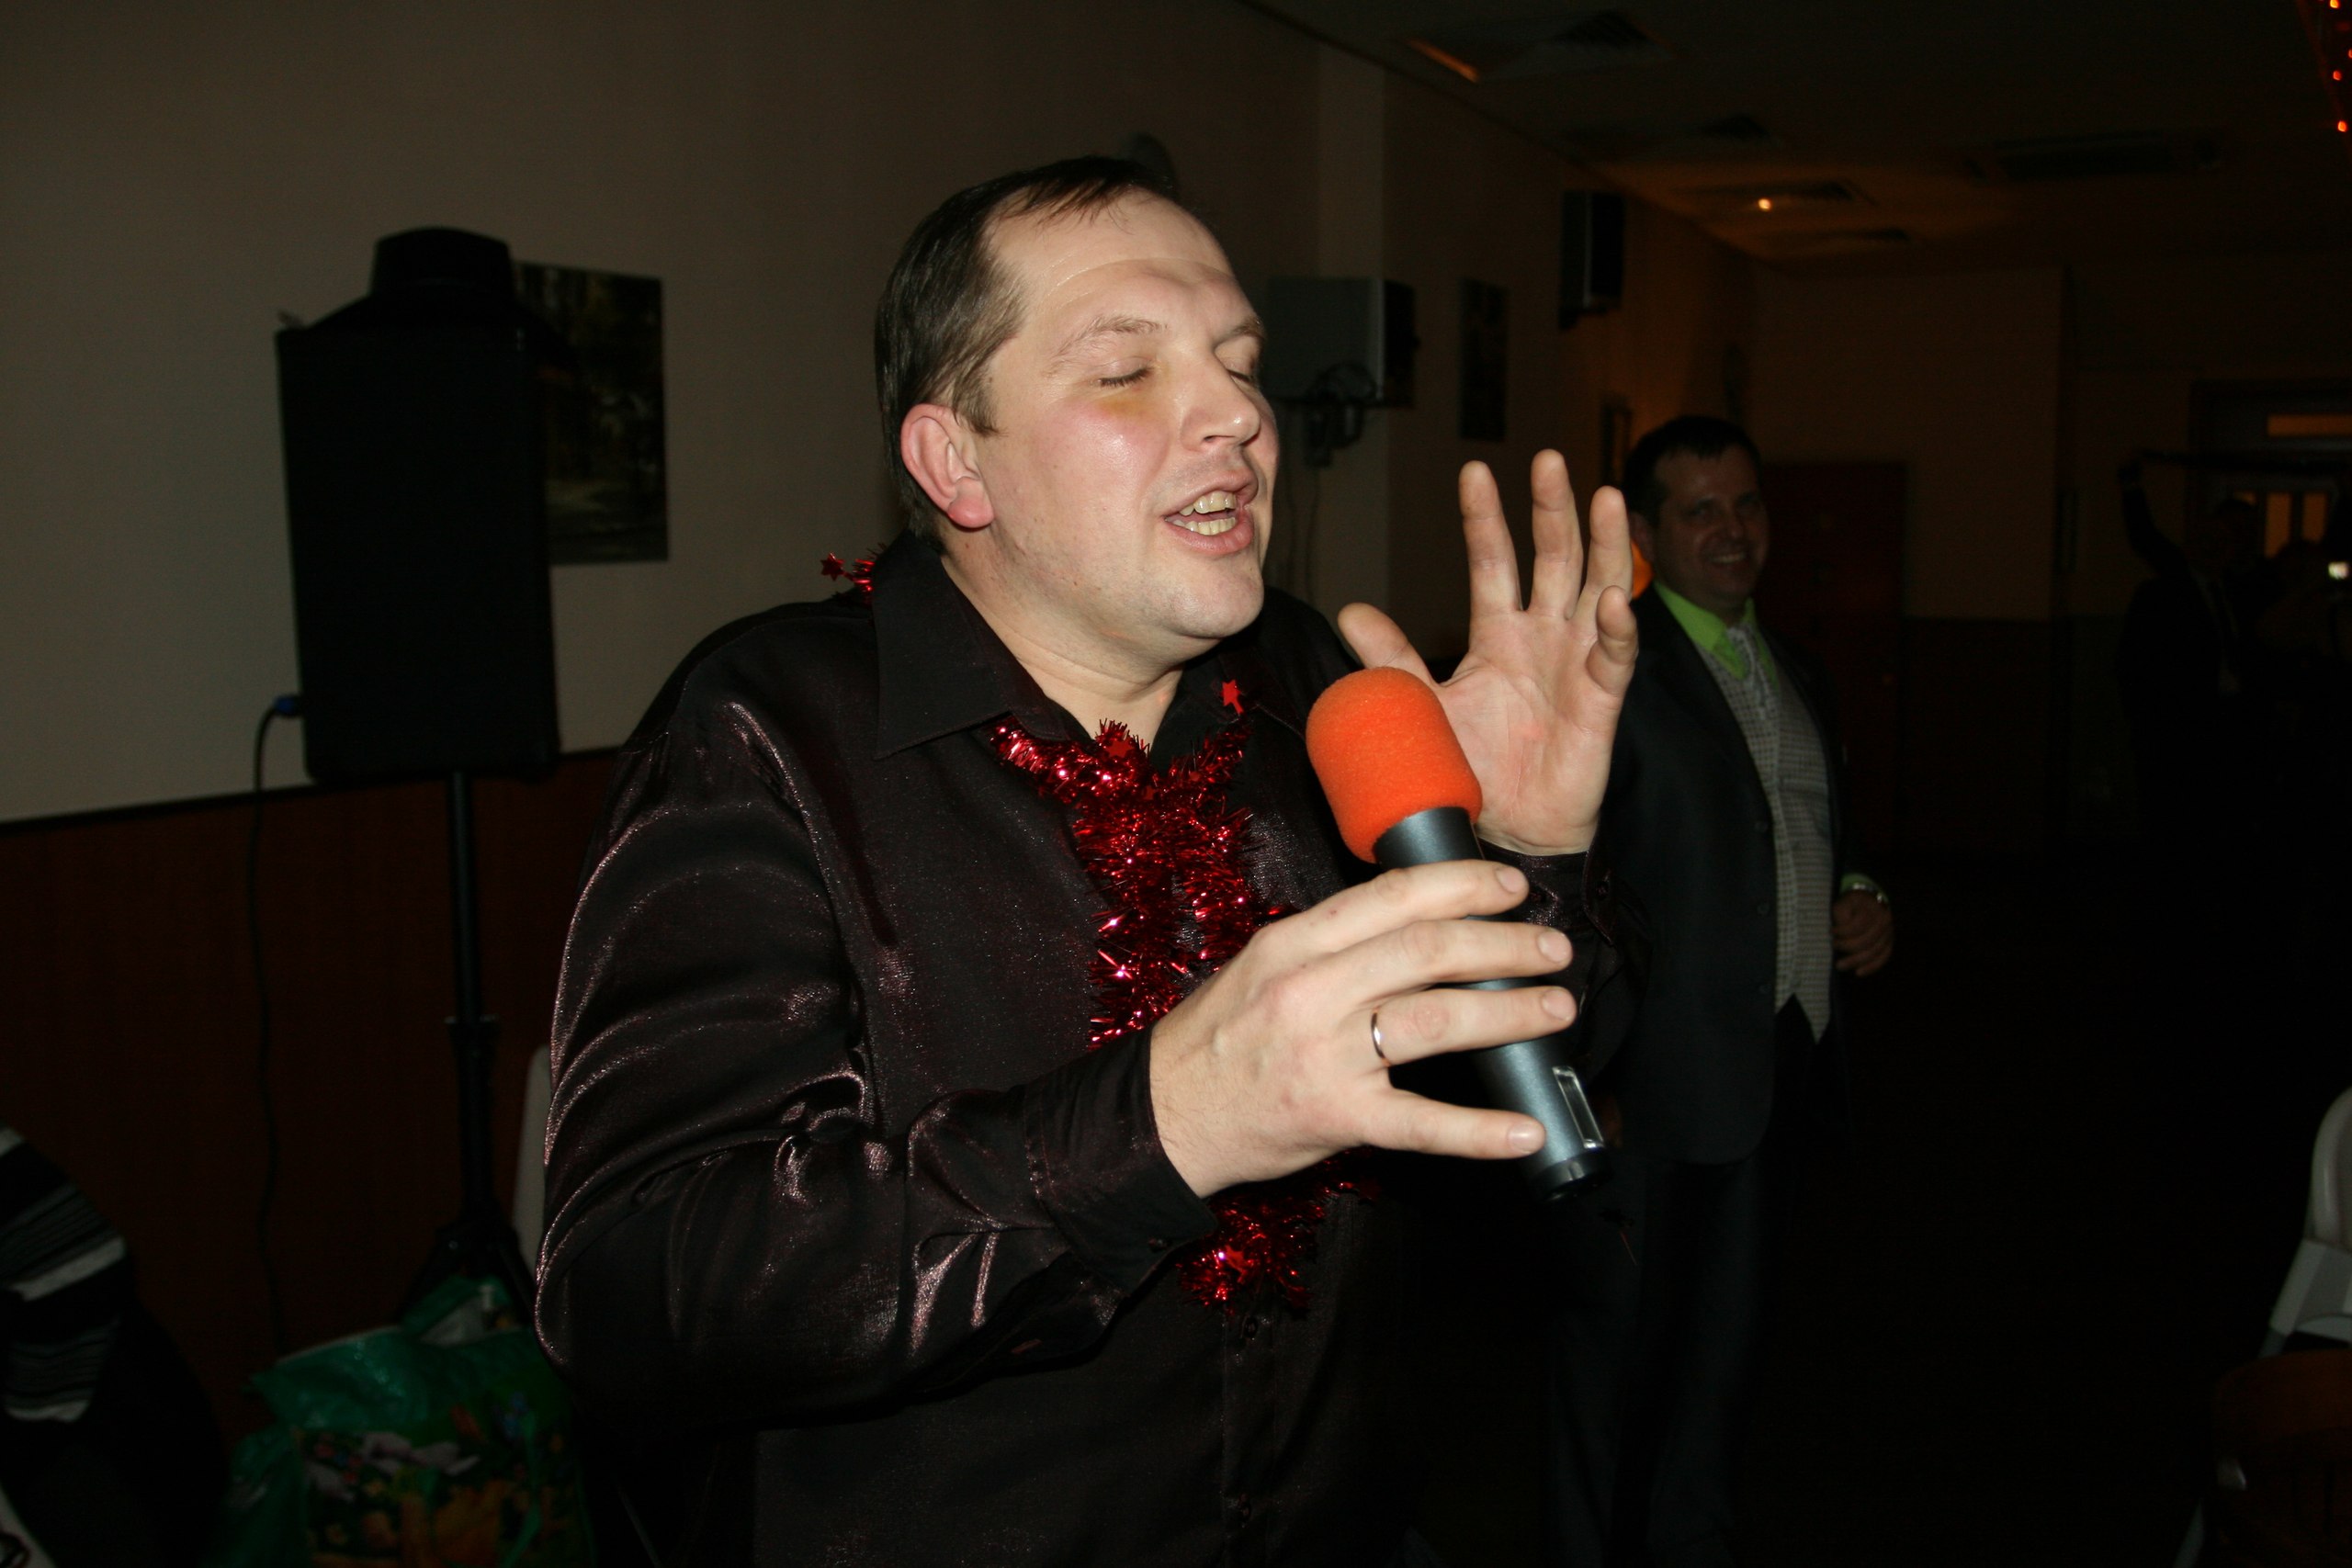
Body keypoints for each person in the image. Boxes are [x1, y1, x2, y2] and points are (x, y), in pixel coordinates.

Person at [534, 157, 1641, 1566]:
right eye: (1128, 369)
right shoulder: (767, 729)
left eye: (1241, 362)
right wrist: (1165, 1120)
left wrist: (1528, 859)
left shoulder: (1319, 686)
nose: (1239, 413)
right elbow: (636, 1289)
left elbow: (1508, 1109)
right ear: (956, 463)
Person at [1543, 415, 1891, 1568]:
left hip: (1779, 1065)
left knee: (1727, 1359)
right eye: (1700, 511)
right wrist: (1588, 1073)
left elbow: (1808, 825)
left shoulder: (1797, 667)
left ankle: (1693, 1545)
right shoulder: (1615, 670)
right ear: (1646, 534)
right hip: (1647, 1087)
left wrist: (1858, 890)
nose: (1732, 530)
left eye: (1745, 505)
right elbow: (1560, 884)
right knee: (1615, 1368)